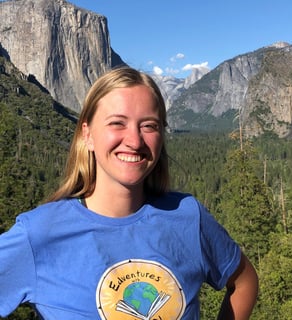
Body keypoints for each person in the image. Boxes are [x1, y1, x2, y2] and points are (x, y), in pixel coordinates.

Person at [0, 67, 258, 320]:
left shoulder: (188, 216)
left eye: (149, 126)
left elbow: (244, 282)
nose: (134, 141)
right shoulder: (38, 234)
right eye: (117, 123)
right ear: (87, 135)